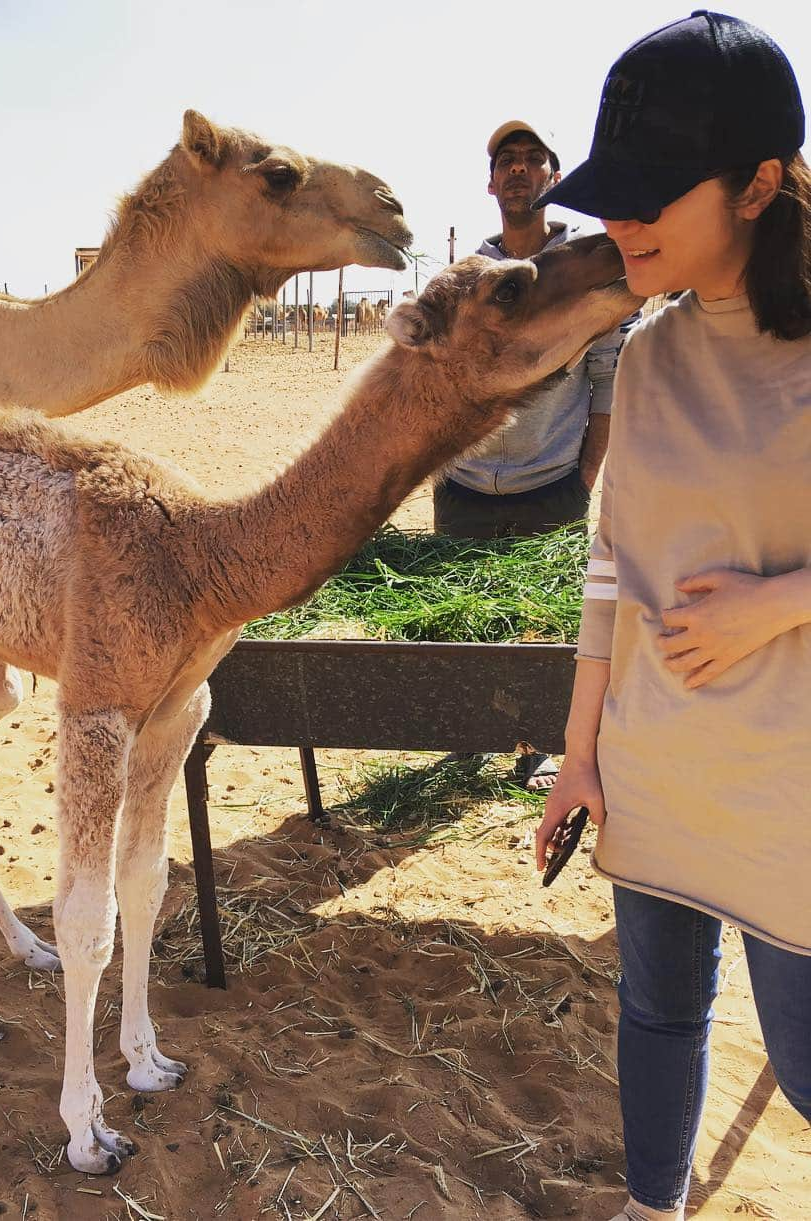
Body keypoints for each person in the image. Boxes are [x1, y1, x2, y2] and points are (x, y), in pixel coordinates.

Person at [532, 13, 810, 1221]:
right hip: (652, 762)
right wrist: (581, 750)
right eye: (612, 193)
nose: (619, 221)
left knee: (803, 1072)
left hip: (788, 786)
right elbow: (612, 571)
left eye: (650, 192)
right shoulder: (645, 355)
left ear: (759, 183)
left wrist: (780, 606)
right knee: (656, 1014)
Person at [432, 120, 631, 544]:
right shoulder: (465, 282)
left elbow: (608, 379)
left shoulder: (586, 275)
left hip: (553, 489)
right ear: (492, 183)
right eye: (507, 161)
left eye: (533, 160)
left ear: (555, 179)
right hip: (462, 491)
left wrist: (583, 479)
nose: (519, 169)